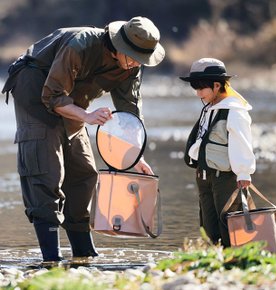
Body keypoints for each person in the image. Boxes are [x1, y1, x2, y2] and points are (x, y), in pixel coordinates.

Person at [1, 16, 165, 262]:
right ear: (119, 47)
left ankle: (84, 255)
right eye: (132, 57)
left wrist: (134, 157)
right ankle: (51, 258)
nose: (135, 65)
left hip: (73, 101)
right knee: (46, 171)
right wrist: (87, 115)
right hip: (36, 89)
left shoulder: (132, 66)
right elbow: (53, 96)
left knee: (84, 172)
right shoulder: (80, 45)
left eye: (141, 60)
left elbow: (130, 113)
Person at [180, 58, 256, 247]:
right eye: (194, 88)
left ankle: (232, 259)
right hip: (204, 175)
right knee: (208, 224)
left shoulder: (234, 110)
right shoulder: (210, 108)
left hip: (226, 177)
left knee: (228, 221)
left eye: (200, 87)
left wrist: (244, 172)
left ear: (216, 85)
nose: (198, 93)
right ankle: (214, 257)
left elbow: (241, 142)